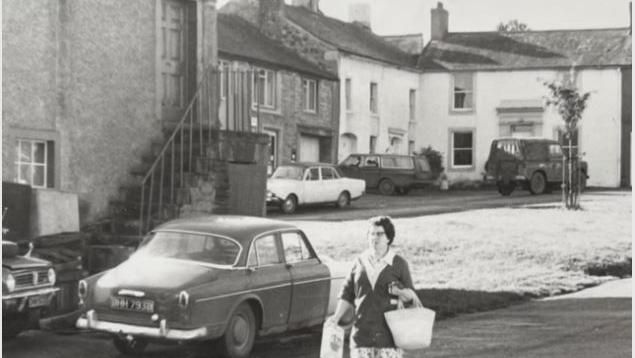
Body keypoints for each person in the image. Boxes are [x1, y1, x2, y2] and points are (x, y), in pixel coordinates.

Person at [327, 216, 418, 358]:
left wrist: (401, 292)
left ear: (389, 238)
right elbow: (347, 293)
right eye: (371, 234)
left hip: (389, 339)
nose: (374, 238)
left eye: (380, 234)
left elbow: (412, 298)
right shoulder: (359, 262)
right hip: (361, 337)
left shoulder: (399, 264)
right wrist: (336, 317)